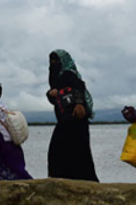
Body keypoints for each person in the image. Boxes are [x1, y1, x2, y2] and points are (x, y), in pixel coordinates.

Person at [47, 49, 99, 182]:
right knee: (60, 150)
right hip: (65, 120)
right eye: (51, 61)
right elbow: (56, 100)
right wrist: (50, 94)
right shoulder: (55, 77)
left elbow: (79, 87)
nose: (53, 64)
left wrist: (79, 104)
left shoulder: (69, 74)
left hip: (76, 120)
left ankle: (82, 181)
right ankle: (63, 179)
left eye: (56, 61)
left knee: (76, 152)